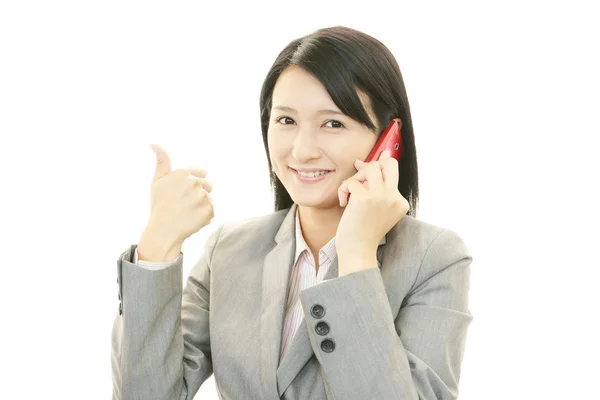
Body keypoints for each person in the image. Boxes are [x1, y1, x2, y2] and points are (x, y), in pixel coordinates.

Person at [111, 25, 473, 400]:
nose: (301, 151)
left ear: (387, 139)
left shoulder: (435, 258)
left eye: (333, 123)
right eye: (286, 120)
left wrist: (357, 257)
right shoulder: (229, 249)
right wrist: (156, 249)